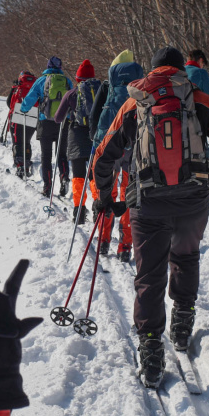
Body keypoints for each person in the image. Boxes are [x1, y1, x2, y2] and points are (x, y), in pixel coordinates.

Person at [91, 46, 209, 388]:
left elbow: (103, 156)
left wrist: (105, 196)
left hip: (147, 202)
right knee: (186, 256)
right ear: (180, 70)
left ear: (154, 70)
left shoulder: (136, 101)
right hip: (193, 198)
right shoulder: (200, 99)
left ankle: (150, 347)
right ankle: (182, 320)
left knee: (149, 273)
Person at [88, 50, 143, 262]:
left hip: (109, 142)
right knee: (128, 193)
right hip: (133, 145)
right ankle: (125, 245)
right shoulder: (140, 85)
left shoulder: (107, 85)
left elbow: (95, 117)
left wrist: (96, 142)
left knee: (106, 192)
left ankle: (103, 240)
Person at [19, 56, 72, 197]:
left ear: (48, 66)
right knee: (61, 155)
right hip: (62, 123)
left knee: (46, 156)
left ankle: (47, 186)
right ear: (60, 67)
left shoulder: (41, 81)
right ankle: (64, 177)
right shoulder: (67, 81)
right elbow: (74, 99)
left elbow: (30, 98)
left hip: (45, 123)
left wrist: (24, 109)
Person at [53, 60, 99, 223]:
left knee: (78, 176)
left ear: (78, 78)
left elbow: (58, 118)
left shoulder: (71, 94)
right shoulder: (102, 91)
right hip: (96, 137)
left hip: (76, 137)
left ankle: (78, 211)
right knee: (94, 176)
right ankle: (97, 208)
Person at [6, 71, 38, 177]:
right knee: (26, 141)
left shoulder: (17, 85)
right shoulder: (35, 86)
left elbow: (9, 102)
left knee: (17, 142)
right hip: (33, 115)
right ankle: (27, 166)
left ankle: (20, 166)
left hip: (17, 114)